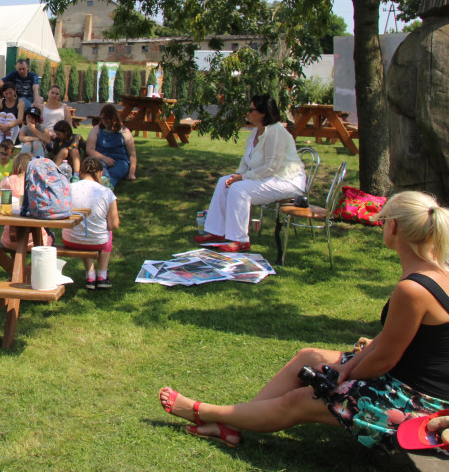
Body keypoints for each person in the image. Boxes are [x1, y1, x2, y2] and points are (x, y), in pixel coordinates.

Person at [158, 191, 449, 452]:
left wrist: (344, 376)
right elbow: (388, 341)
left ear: (394, 227)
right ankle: (233, 424)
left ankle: (205, 412)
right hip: (411, 377)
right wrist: (344, 367)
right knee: (308, 357)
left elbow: (385, 359)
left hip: (419, 402)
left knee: (301, 400)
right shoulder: (437, 270)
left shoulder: (413, 289)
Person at [197, 94, 305, 252]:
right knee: (224, 182)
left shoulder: (276, 132)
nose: (247, 113)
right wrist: (236, 175)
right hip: (268, 177)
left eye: (251, 110)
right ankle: (216, 231)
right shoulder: (255, 132)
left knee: (239, 189)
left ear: (263, 113)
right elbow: (246, 161)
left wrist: (243, 178)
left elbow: (271, 167)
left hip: (287, 181)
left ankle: (240, 240)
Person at [63, 158, 120, 290]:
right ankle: (102, 275)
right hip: (97, 241)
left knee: (84, 229)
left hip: (71, 239)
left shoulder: (68, 188)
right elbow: (114, 225)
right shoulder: (107, 192)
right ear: (100, 173)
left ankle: (90, 275)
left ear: (81, 173)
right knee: (105, 232)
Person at [86, 104, 137, 188]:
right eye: (103, 119)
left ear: (114, 118)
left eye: (107, 119)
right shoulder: (97, 129)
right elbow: (89, 149)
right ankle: (104, 181)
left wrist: (131, 173)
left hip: (120, 161)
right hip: (101, 159)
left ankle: (108, 184)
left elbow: (132, 154)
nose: (105, 121)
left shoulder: (124, 131)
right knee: (100, 167)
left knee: (117, 172)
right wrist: (104, 158)